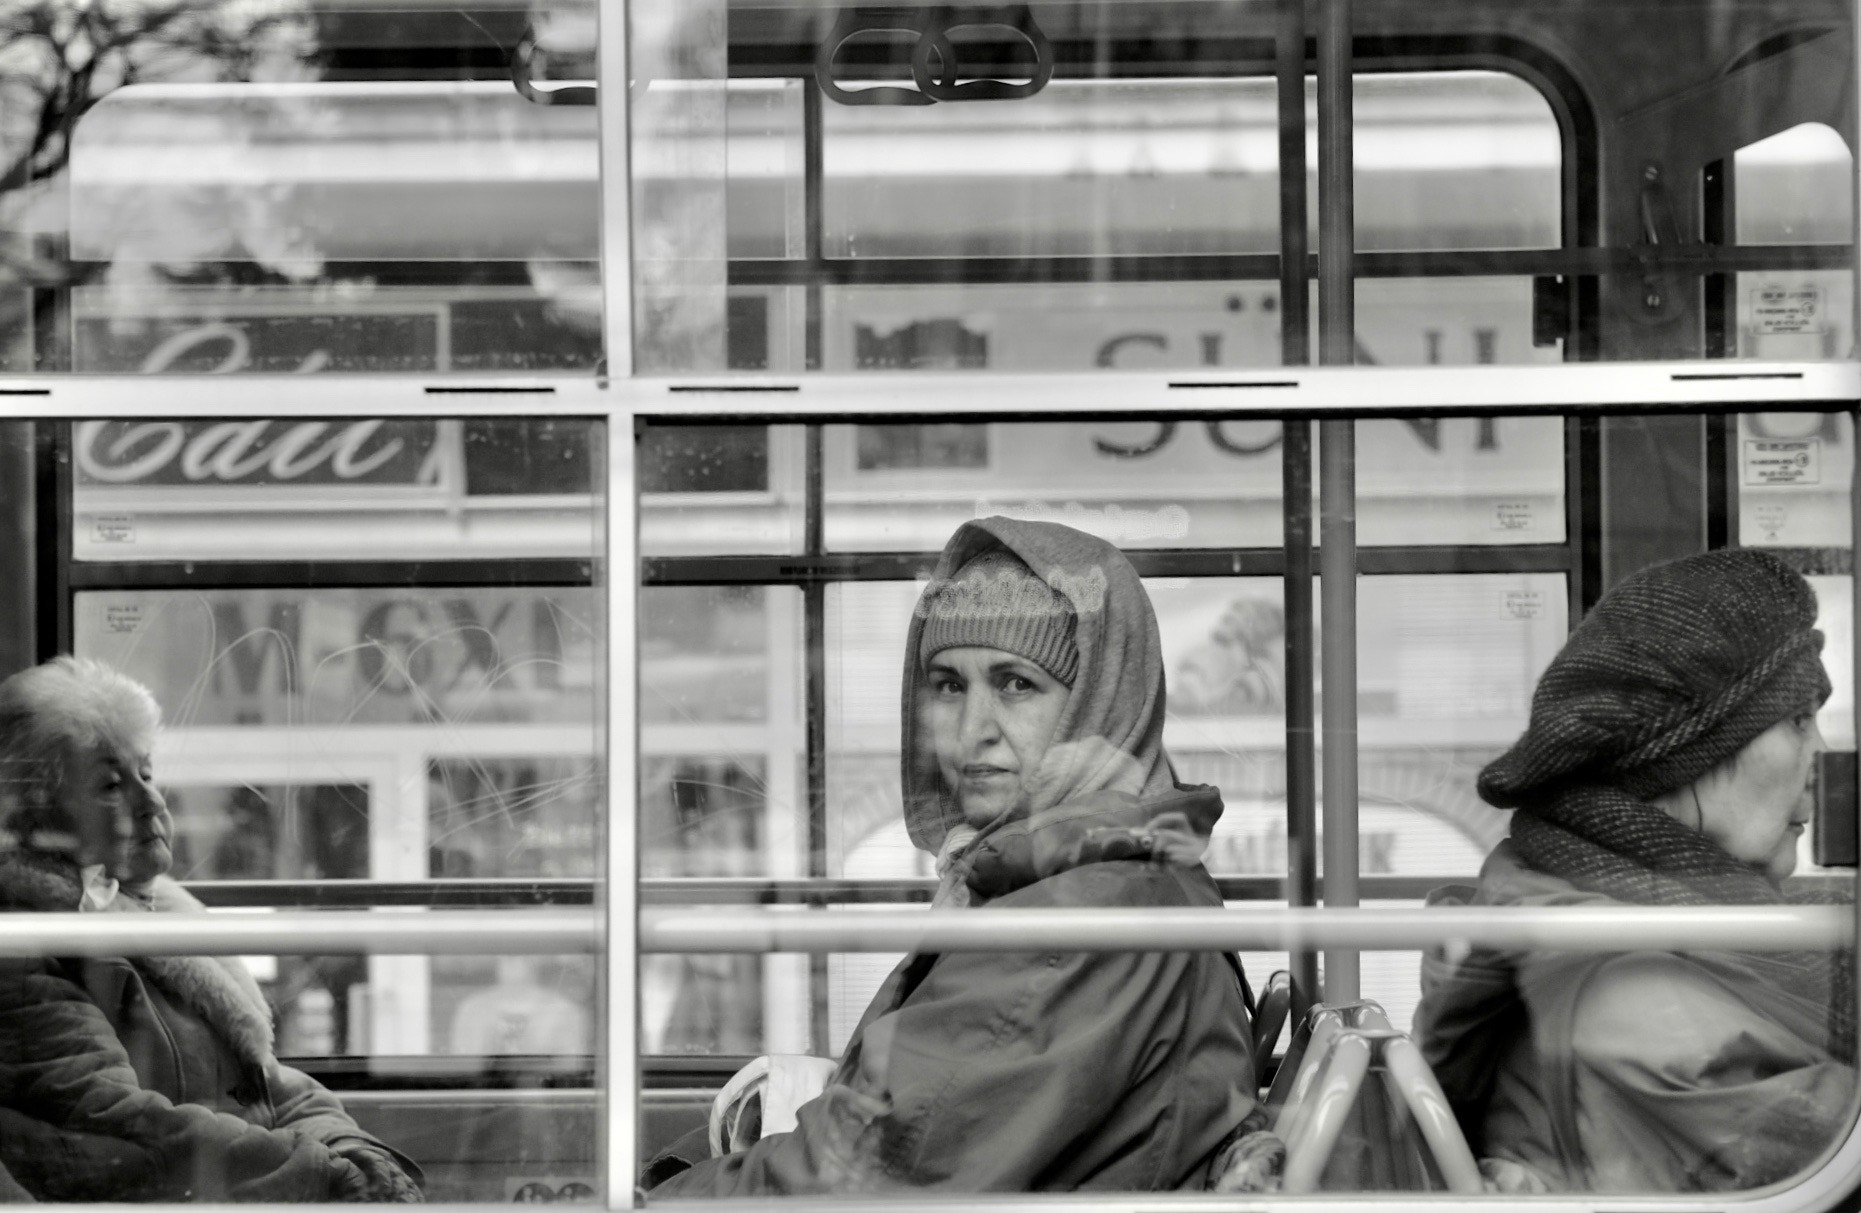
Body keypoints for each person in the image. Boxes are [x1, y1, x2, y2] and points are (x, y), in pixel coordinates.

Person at [648, 517, 1256, 1195]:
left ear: (1097, 707)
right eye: (946, 685)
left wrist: (649, 1195)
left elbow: (863, 1176)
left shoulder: (1084, 918)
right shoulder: (1084, 875)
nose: (972, 731)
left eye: (1016, 684)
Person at [1414, 550, 1856, 1193]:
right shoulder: (1644, 999)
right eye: (1796, 720)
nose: (1820, 755)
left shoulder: (1644, 926)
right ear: (1684, 758)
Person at [0, 656, 424, 1202]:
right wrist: (329, 1176)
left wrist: (359, 1156)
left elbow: (270, 1086)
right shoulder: (24, 949)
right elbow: (112, 1129)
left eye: (146, 773)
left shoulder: (166, 920)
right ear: (40, 817)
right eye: (110, 785)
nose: (151, 801)